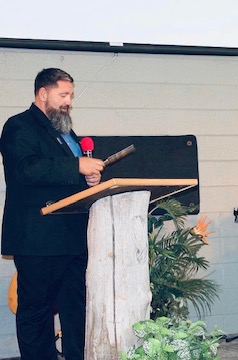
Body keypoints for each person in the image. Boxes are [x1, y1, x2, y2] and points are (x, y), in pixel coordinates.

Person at [0, 68, 105, 360]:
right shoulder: (18, 126)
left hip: (72, 239)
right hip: (38, 240)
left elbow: (66, 175)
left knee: (77, 311)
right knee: (37, 314)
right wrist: (76, 168)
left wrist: (88, 178)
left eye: (70, 95)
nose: (69, 101)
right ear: (43, 93)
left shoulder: (65, 131)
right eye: (63, 94)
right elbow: (25, 169)